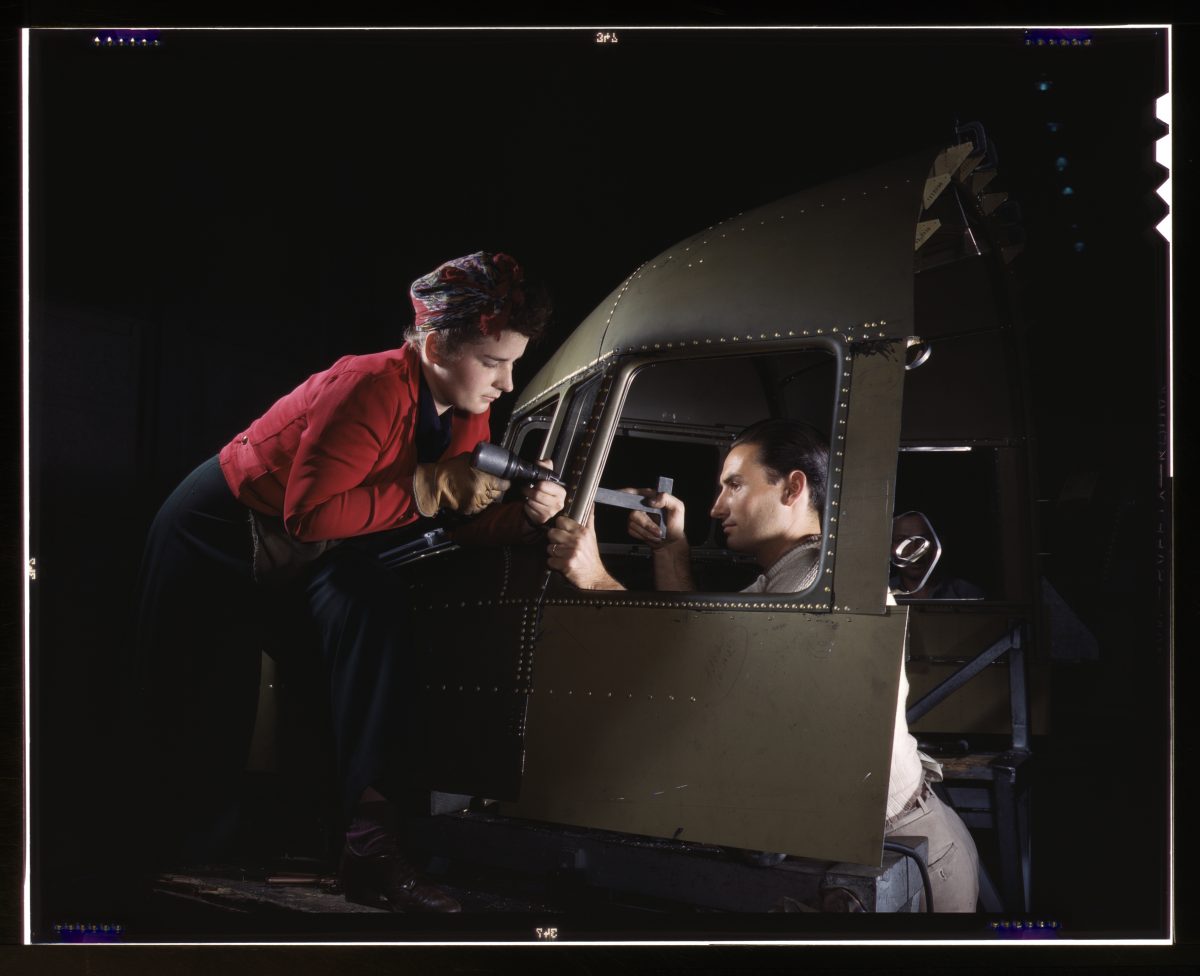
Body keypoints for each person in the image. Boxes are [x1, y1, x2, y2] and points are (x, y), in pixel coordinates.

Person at [130, 251, 565, 912]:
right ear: (436, 346)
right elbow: (310, 515)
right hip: (214, 535)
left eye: (514, 363)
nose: (507, 384)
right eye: (494, 362)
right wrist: (434, 487)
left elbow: (455, 516)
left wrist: (517, 519)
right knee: (205, 711)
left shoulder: (466, 409)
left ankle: (368, 847)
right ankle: (167, 880)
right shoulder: (368, 385)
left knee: (373, 615)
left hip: (308, 548)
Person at [545, 418, 980, 912]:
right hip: (879, 844)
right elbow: (704, 639)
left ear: (793, 487)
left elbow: (703, 674)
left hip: (901, 853)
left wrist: (595, 579)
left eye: (734, 485)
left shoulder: (818, 580)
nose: (716, 507)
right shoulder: (790, 575)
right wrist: (671, 549)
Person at [890, 511, 986, 600]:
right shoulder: (880, 594)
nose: (914, 550)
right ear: (889, 547)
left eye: (923, 539)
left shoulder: (968, 594)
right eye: (901, 540)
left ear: (939, 543)